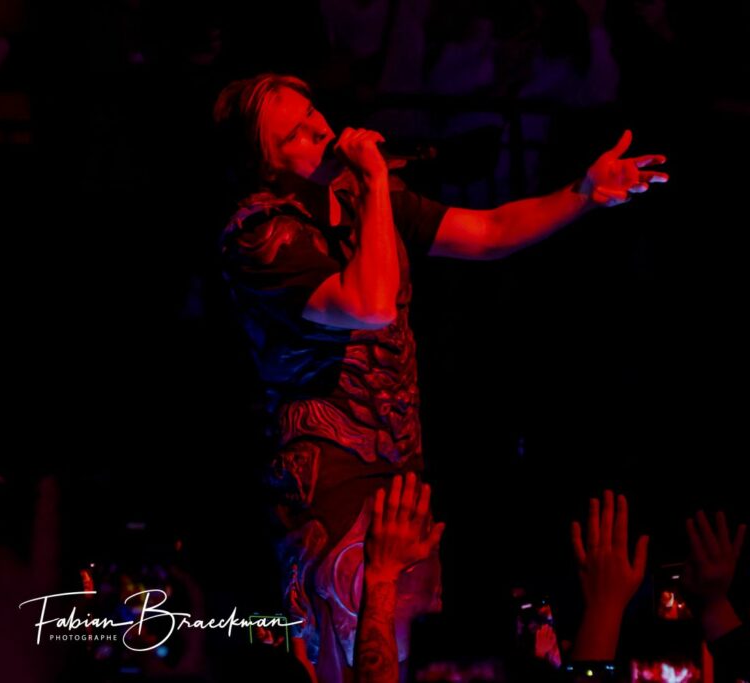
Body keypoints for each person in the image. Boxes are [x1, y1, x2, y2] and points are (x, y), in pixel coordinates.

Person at [214, 72, 668, 681]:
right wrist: (376, 181)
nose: (321, 129)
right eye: (295, 133)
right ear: (263, 164)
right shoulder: (260, 232)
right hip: (330, 474)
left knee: (416, 645)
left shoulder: (360, 197)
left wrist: (582, 193)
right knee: (362, 644)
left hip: (400, 459)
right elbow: (369, 304)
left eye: (313, 113)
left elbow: (488, 233)